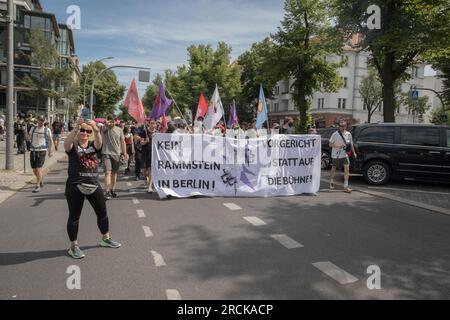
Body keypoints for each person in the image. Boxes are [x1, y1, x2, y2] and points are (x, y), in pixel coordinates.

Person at [64, 118, 121, 259]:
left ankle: (105, 239)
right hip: (75, 185)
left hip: (93, 185)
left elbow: (99, 142)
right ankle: (73, 246)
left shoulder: (93, 144)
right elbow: (66, 144)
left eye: (87, 131)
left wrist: (95, 129)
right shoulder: (73, 146)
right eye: (82, 130)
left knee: (102, 213)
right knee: (74, 217)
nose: (84, 133)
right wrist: (75, 129)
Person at [101, 116, 128, 200]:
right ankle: (107, 191)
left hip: (116, 154)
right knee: (107, 172)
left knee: (114, 173)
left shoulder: (119, 130)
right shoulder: (105, 128)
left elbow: (122, 141)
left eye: (112, 121)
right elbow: (103, 130)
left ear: (115, 122)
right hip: (106, 153)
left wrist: (124, 152)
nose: (111, 122)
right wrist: (106, 124)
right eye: (109, 120)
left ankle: (112, 189)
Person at [24, 115, 53, 193]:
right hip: (33, 150)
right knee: (34, 169)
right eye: (40, 120)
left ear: (44, 121)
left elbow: (50, 141)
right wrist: (25, 131)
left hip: (42, 150)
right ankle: (40, 179)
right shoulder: (33, 129)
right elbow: (28, 139)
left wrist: (50, 151)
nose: (41, 122)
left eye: (42, 120)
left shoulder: (47, 130)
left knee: (38, 168)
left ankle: (37, 185)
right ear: (37, 120)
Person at [329, 120, 357, 193]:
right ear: (339, 126)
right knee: (334, 167)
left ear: (346, 126)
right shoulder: (335, 134)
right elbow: (330, 144)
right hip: (336, 154)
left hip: (344, 154)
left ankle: (346, 185)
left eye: (344, 126)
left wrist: (354, 152)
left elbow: (351, 144)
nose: (342, 127)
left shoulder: (348, 134)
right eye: (341, 126)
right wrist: (338, 146)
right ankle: (331, 181)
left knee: (347, 168)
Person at [140, 119, 157, 193]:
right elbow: (141, 143)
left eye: (154, 123)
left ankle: (150, 186)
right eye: (151, 123)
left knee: (151, 169)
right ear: (149, 124)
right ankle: (147, 179)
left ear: (156, 124)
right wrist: (145, 141)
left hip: (153, 153)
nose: (153, 125)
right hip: (145, 152)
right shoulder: (144, 132)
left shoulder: (157, 132)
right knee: (144, 170)